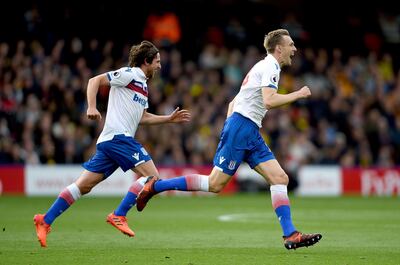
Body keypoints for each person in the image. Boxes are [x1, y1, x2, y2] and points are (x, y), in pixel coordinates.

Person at [136, 29, 322, 250]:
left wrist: (232, 127)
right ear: (279, 48)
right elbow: (269, 101)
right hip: (242, 128)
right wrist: (298, 94)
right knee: (215, 184)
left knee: (280, 178)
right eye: (291, 45)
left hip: (247, 130)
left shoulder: (261, 67)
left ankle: (290, 234)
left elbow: (232, 103)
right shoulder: (270, 66)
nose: (294, 49)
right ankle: (156, 187)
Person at [33, 40, 191, 248]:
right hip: (119, 138)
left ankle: (45, 220)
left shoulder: (142, 85)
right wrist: (91, 107)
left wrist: (167, 119)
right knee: (153, 177)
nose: (160, 66)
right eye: (157, 62)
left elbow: (141, 117)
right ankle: (119, 215)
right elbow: (93, 81)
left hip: (111, 141)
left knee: (83, 186)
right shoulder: (129, 74)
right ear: (146, 61)